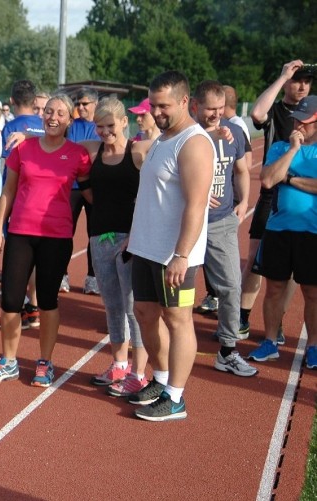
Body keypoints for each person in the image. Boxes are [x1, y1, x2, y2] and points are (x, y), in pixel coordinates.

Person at [0, 94, 91, 386]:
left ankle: (45, 362)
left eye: (60, 113)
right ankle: (8, 361)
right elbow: (8, 190)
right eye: (49, 112)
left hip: (56, 237)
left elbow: (93, 195)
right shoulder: (24, 148)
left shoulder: (78, 154)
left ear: (70, 120)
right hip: (20, 233)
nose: (53, 117)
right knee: (10, 300)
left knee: (47, 300)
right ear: (42, 116)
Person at [125, 71, 215, 422]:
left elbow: (196, 204)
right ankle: (160, 379)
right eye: (154, 106)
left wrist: (181, 254)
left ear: (183, 101)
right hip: (147, 247)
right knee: (145, 314)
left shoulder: (193, 143)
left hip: (175, 254)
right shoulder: (162, 139)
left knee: (178, 320)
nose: (158, 112)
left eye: (164, 106)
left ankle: (175, 397)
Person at [75, 97, 153, 395]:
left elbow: (178, 150)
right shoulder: (93, 149)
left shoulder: (138, 150)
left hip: (130, 239)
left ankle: (138, 372)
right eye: (99, 126)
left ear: (124, 122)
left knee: (135, 308)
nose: (105, 131)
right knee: (112, 306)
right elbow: (57, 137)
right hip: (99, 237)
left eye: (110, 125)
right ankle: (119, 364)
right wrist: (25, 134)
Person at [242, 60, 312, 345]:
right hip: (271, 197)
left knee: (293, 273)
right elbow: (257, 113)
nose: (302, 86)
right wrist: (283, 75)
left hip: (300, 195)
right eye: (298, 80)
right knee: (255, 262)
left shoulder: (313, 113)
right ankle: (242, 318)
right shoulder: (278, 110)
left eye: (307, 82)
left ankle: (278, 322)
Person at [190, 80, 257, 377]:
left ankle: (228, 350)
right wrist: (206, 134)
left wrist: (244, 202)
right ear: (194, 106)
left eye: (220, 109)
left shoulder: (234, 132)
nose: (216, 115)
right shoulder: (185, 133)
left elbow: (241, 169)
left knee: (231, 286)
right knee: (178, 291)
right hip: (186, 225)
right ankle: (167, 346)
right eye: (210, 109)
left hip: (221, 223)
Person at [1, 80, 46, 329]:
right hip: (45, 199)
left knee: (18, 254)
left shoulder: (11, 128)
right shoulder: (47, 126)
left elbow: (9, 167)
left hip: (20, 198)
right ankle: (34, 304)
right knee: (39, 255)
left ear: (12, 101)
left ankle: (19, 305)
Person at [65, 87, 101, 295]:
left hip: (95, 187)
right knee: (65, 232)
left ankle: (93, 278)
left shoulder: (101, 126)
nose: (80, 107)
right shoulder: (71, 126)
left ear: (95, 104)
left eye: (84, 103)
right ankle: (62, 276)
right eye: (78, 103)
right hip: (72, 187)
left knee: (94, 235)